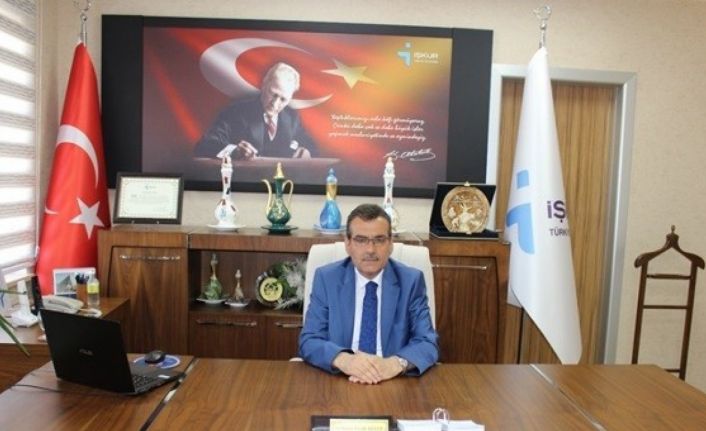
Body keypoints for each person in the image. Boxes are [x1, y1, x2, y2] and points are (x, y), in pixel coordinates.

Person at [299, 204, 439, 384]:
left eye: (379, 240)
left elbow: (427, 343)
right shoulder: (327, 279)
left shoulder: (410, 281)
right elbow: (309, 340)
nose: (371, 250)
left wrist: (395, 364)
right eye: (361, 240)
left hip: (393, 380)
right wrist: (344, 360)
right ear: (348, 244)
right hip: (341, 378)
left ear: (390, 244)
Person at [194, 62, 317, 160]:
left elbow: (311, 146)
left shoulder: (291, 117)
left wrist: (307, 152)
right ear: (264, 85)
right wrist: (234, 151)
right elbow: (204, 145)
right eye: (273, 94)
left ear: (290, 98)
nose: (275, 104)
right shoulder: (236, 112)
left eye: (283, 99)